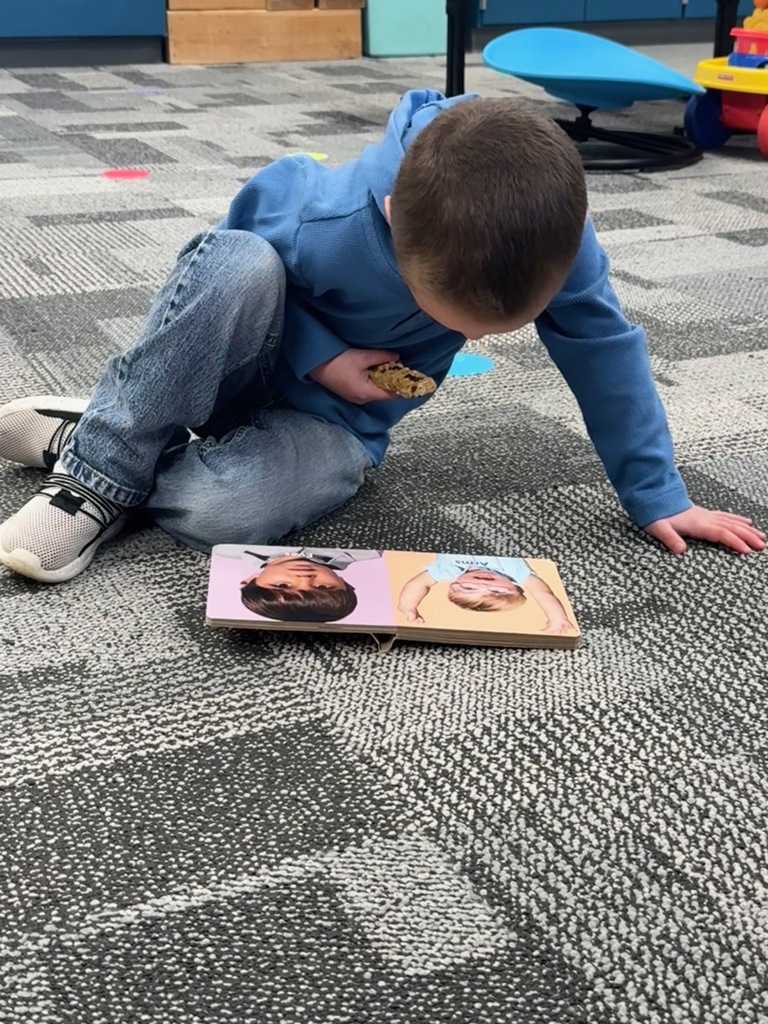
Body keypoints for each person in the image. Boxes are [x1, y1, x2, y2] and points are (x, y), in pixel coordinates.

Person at [0, 90, 763, 585]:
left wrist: (656, 491)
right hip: (241, 358)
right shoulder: (323, 211)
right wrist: (322, 358)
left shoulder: (558, 241)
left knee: (222, 515)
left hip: (337, 426)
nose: (459, 340)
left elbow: (607, 353)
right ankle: (98, 473)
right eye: (451, 319)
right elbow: (206, 290)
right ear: (395, 219)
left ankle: (107, 434)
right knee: (240, 262)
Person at [397, 554, 576, 634]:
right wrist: (557, 618)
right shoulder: (516, 572)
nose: (482, 584)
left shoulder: (447, 570)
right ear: (515, 587)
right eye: (497, 591)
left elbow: (417, 584)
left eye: (469, 588)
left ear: (453, 584)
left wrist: (408, 607)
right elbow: (543, 594)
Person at [216, 546, 381, 623]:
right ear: (344, 582)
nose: (304, 577)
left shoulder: (226, 550)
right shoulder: (371, 551)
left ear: (250, 579)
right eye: (322, 587)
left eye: (282, 586)